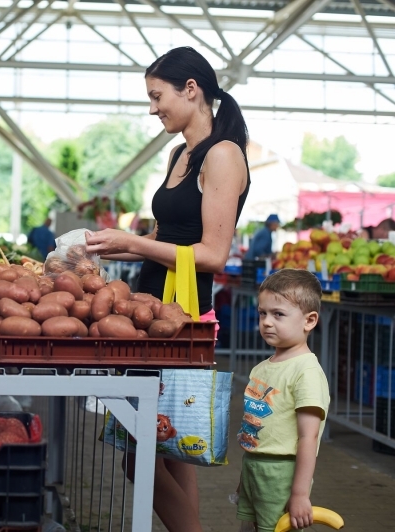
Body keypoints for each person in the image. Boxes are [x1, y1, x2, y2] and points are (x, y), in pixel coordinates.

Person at [85, 46, 251, 532]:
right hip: (152, 307)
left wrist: (133, 240)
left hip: (183, 317)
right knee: (173, 452)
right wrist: (114, 248)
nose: (152, 107)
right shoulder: (180, 153)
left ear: (192, 90)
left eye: (158, 96)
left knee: (139, 458)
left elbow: (213, 254)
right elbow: (170, 238)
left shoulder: (223, 155)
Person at [236, 269, 330, 532]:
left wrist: (300, 494)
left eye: (278, 314)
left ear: (309, 321)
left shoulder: (306, 372)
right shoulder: (262, 367)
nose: (266, 322)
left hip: (281, 475)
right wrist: (247, 477)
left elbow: (308, 438)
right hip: (254, 468)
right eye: (262, 313)